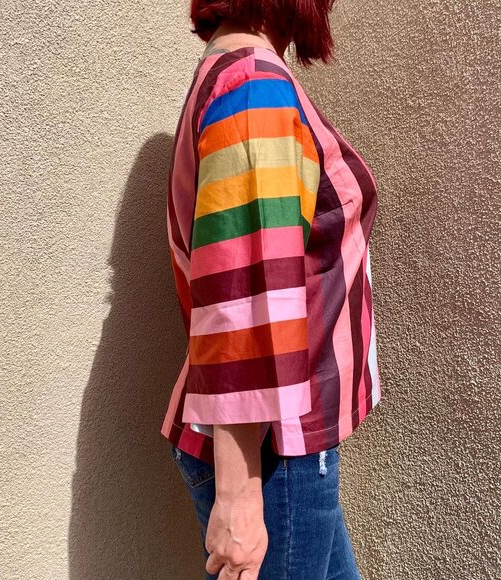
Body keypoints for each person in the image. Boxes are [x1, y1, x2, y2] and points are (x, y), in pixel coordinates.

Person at [160, 1, 382, 578]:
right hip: (272, 455)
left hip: (283, 450)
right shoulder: (255, 89)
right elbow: (243, 292)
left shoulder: (238, 74)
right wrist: (238, 496)